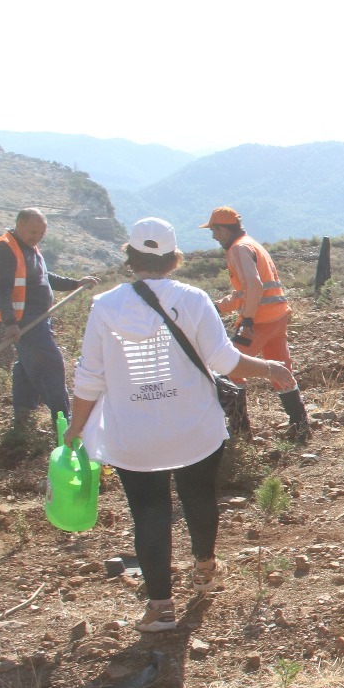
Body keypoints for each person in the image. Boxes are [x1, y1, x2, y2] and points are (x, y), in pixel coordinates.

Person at [64, 218, 293, 632]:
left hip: (132, 435)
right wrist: (271, 367)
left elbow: (89, 379)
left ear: (130, 257)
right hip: (194, 428)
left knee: (148, 512)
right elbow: (226, 362)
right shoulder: (193, 299)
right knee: (199, 498)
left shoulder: (105, 306)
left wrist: (75, 427)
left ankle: (159, 606)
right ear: (174, 259)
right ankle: (205, 569)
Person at [199, 206, 311, 443]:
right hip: (277, 318)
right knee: (281, 369)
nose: (213, 236)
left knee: (231, 369)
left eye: (214, 230)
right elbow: (246, 291)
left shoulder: (238, 249)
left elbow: (254, 286)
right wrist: (219, 306)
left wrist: (247, 319)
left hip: (258, 321)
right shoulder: (251, 244)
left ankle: (241, 432)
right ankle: (300, 426)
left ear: (224, 229)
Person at [0, 209, 97, 429]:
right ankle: (64, 424)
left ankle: (23, 419)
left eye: (41, 233)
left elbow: (44, 277)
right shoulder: (4, 249)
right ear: (19, 225)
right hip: (25, 322)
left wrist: (75, 283)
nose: (37, 236)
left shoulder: (27, 247)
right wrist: (10, 323)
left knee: (26, 369)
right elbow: (1, 290)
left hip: (38, 319)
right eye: (33, 231)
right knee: (51, 365)